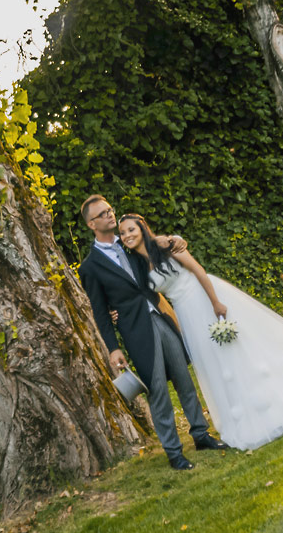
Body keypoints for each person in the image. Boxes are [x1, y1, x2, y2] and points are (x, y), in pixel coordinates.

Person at [117, 212, 283, 450]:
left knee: (242, 348)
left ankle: (280, 398)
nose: (128, 235)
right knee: (217, 361)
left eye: (132, 228)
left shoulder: (166, 246)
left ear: (142, 227)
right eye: (123, 232)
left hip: (203, 297)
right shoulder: (138, 267)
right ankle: (245, 412)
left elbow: (198, 271)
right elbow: (150, 298)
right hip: (186, 314)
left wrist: (215, 302)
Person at [77, 194, 224, 470]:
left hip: (162, 317)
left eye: (110, 209)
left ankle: (201, 435)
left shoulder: (132, 243)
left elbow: (158, 243)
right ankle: (174, 452)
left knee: (184, 378)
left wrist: (175, 238)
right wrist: (113, 348)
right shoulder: (90, 267)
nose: (110, 215)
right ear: (91, 224)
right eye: (103, 214)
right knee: (157, 389)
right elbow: (99, 311)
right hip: (136, 331)